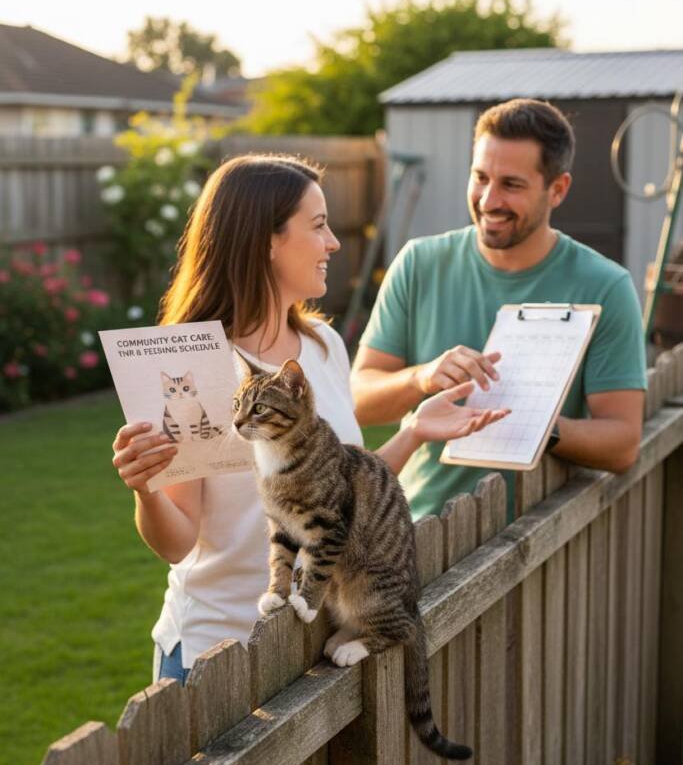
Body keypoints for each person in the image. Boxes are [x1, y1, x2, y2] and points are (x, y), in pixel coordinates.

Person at [111, 155, 506, 685]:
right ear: (266, 241)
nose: (334, 243)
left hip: (307, 648)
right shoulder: (191, 364)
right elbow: (179, 542)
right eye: (318, 226)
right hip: (216, 656)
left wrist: (413, 430)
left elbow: (340, 494)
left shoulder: (321, 348)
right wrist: (146, 489)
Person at [351, 98, 647, 522]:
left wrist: (533, 423)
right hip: (421, 534)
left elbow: (622, 443)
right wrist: (421, 377)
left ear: (558, 189)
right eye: (480, 177)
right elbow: (359, 399)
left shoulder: (605, 285)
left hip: (539, 542)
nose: (489, 200)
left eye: (512, 184)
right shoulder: (418, 264)